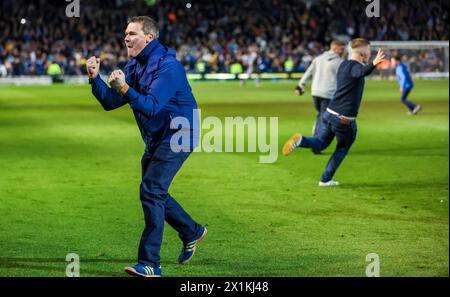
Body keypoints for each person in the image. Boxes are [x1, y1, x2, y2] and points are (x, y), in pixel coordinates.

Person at [86, 16, 207, 277]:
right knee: (154, 192)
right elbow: (110, 102)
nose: (126, 37)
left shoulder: (169, 66)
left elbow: (151, 106)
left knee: (151, 190)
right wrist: (95, 78)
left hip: (180, 134)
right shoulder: (135, 65)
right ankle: (192, 231)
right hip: (157, 137)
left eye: (132, 33)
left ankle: (150, 263)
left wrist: (125, 88)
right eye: (125, 33)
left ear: (148, 38)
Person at [283, 38, 386, 186]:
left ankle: (301, 140)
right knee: (342, 149)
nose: (370, 54)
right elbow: (361, 72)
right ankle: (325, 180)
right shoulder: (355, 66)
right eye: (369, 51)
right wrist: (374, 63)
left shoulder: (343, 64)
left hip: (330, 112)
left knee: (320, 143)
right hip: (343, 119)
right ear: (362, 52)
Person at [296, 40, 346, 154]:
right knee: (324, 119)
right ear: (335, 48)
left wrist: (300, 85)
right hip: (328, 93)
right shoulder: (339, 62)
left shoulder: (318, 58)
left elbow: (308, 72)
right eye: (342, 49)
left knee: (321, 115)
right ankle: (316, 143)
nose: (343, 51)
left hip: (315, 92)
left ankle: (316, 136)